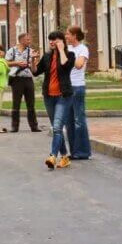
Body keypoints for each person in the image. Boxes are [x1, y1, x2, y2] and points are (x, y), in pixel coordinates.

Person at [34, 31, 73, 169]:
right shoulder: (47, 56)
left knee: (57, 127)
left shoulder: (70, 55)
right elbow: (35, 72)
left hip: (64, 96)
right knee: (57, 128)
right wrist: (34, 60)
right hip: (49, 96)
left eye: (54, 40)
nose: (51, 42)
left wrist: (62, 50)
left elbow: (65, 65)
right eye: (50, 40)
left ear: (61, 41)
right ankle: (65, 157)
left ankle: (52, 156)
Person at [65, 27, 92, 160]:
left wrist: (67, 55)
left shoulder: (82, 49)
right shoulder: (67, 49)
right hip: (66, 88)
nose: (66, 36)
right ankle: (74, 151)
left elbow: (79, 64)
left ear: (75, 36)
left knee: (79, 120)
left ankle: (83, 151)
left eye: (68, 34)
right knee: (68, 121)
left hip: (77, 86)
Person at [6, 32, 40, 132]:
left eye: (30, 39)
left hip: (28, 79)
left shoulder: (31, 51)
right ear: (21, 40)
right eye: (27, 39)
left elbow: (34, 70)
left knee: (31, 103)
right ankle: (14, 126)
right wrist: (17, 63)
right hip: (17, 79)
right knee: (16, 103)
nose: (29, 41)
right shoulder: (12, 50)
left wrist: (33, 60)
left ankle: (34, 126)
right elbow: (6, 63)